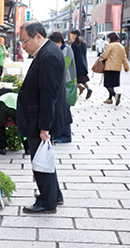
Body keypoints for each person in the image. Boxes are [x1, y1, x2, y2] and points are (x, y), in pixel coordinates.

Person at [17, 21, 72, 214]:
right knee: (44, 158)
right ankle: (54, 195)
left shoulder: (48, 56)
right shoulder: (47, 51)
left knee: (40, 160)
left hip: (41, 118)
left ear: (38, 36)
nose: (23, 47)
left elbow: (49, 95)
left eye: (25, 42)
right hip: (41, 116)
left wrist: (44, 127)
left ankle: (47, 203)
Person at [49, 31, 76, 143]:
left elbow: (63, 66)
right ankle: (58, 135)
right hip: (62, 84)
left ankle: (65, 136)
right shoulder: (61, 49)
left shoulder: (66, 50)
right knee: (59, 110)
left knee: (63, 111)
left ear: (57, 42)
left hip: (67, 84)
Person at [100, 32, 129, 105]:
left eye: (109, 38)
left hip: (109, 67)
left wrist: (101, 57)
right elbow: (124, 58)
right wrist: (126, 67)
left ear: (111, 38)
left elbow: (105, 56)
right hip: (117, 68)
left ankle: (115, 95)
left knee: (107, 84)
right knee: (112, 84)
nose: (108, 40)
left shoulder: (110, 45)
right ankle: (109, 99)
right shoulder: (121, 46)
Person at [70, 29, 92, 99]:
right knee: (81, 79)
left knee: (74, 79)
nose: (71, 36)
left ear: (75, 35)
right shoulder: (83, 43)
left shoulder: (74, 44)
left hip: (76, 64)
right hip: (83, 63)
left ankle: (74, 92)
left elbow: (73, 55)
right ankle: (85, 88)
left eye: (72, 35)